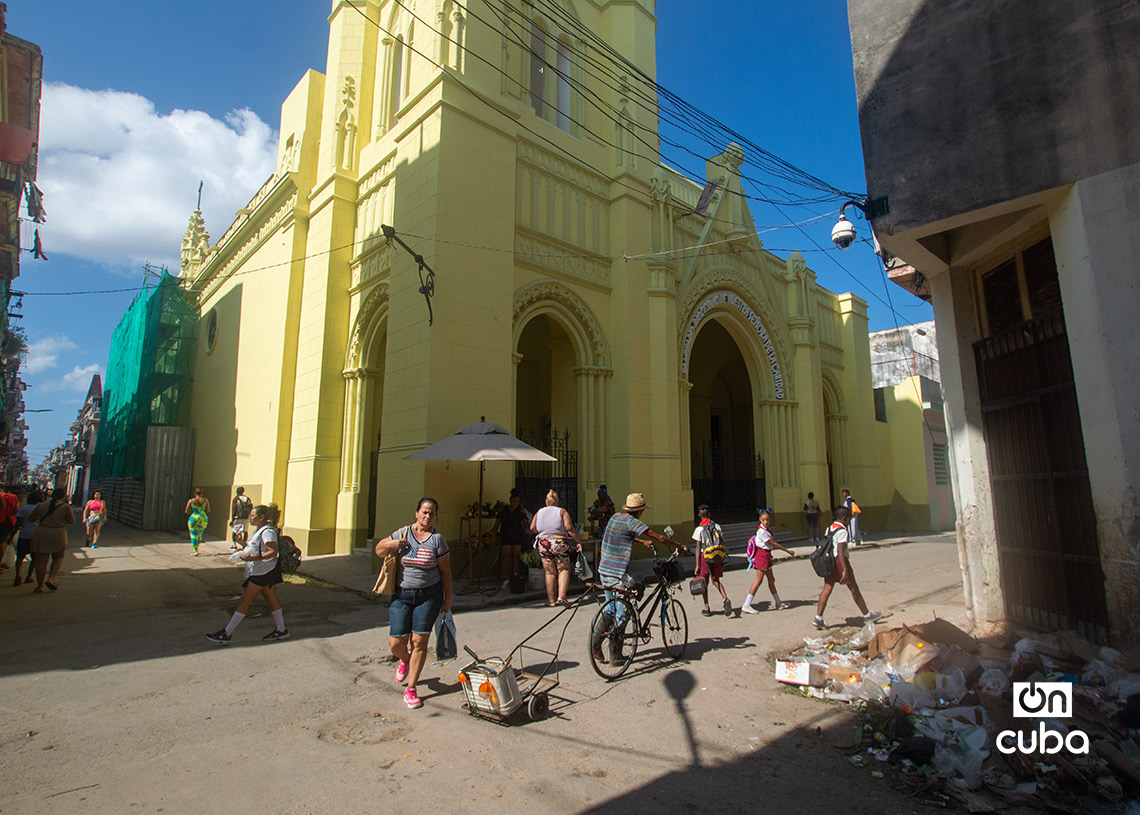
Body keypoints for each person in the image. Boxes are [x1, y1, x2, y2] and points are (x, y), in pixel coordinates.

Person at [373, 498, 453, 710]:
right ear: (416, 513)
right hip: (402, 595)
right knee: (396, 642)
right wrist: (392, 544)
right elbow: (379, 550)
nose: (428, 517)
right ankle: (405, 659)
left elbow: (445, 571)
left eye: (432, 514)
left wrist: (448, 598)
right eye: (425, 512)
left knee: (420, 642)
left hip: (429, 597)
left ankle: (411, 688)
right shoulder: (402, 534)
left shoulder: (437, 540)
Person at [592, 492, 686, 664]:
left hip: (603, 570)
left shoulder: (615, 518)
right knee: (623, 611)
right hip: (616, 573)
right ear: (641, 511)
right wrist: (680, 546)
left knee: (610, 609)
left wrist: (641, 542)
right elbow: (660, 537)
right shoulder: (633, 522)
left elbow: (623, 535)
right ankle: (615, 654)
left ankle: (596, 644)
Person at [206, 504, 290, 644]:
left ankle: (227, 633)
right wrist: (242, 543)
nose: (249, 518)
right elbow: (256, 548)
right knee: (271, 599)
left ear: (261, 517)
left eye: (252, 515)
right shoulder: (259, 530)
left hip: (263, 571)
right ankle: (281, 630)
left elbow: (272, 551)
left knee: (245, 600)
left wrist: (252, 559)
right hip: (263, 570)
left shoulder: (267, 532)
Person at [812, 506, 883, 630]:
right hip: (840, 562)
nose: (850, 522)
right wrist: (844, 569)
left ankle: (818, 618)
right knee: (854, 588)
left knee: (827, 588)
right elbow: (840, 550)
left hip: (830, 562)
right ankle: (867, 615)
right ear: (844, 519)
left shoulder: (829, 528)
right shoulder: (842, 531)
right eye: (849, 520)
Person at [529, 490, 585, 607]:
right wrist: (578, 541)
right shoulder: (561, 511)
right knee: (563, 569)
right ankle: (562, 597)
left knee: (549, 572)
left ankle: (551, 601)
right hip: (559, 542)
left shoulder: (539, 512)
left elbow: (532, 528)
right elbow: (570, 529)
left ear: (546, 502)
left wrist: (543, 532)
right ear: (557, 501)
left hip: (544, 543)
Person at [741, 509, 794, 614]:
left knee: (771, 579)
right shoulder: (762, 531)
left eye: (768, 520)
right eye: (764, 520)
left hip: (766, 555)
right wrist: (787, 550)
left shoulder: (766, 530)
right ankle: (746, 604)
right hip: (762, 556)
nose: (766, 522)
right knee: (758, 580)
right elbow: (773, 543)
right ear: (760, 520)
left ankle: (778, 602)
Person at [28, 487, 76, 593]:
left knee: (41, 560)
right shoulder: (65, 507)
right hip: (58, 533)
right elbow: (71, 521)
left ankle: (39, 586)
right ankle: (51, 578)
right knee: (58, 557)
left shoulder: (42, 505)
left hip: (43, 532)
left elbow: (31, 519)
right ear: (63, 496)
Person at [691, 504, 733, 617]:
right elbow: (722, 539)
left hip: (705, 556)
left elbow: (698, 548)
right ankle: (725, 598)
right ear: (709, 514)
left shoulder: (699, 529)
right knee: (716, 580)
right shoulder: (717, 526)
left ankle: (706, 607)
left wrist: (697, 565)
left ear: (699, 515)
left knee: (704, 582)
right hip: (717, 555)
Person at [490, 488, 527, 590]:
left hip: (517, 536)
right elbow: (497, 523)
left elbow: (525, 522)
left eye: (517, 501)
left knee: (516, 557)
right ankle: (506, 579)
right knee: (505, 558)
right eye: (514, 501)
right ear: (510, 500)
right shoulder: (504, 510)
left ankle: (514, 577)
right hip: (505, 535)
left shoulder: (520, 511)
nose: (515, 503)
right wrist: (494, 534)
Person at [10, 489, 43, 587]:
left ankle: (18, 575)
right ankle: (29, 576)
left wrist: (12, 535)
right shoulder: (41, 508)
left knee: (20, 557)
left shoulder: (23, 509)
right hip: (36, 535)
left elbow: (18, 523)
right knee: (34, 557)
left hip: (24, 535)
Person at [185, 488, 210, 556]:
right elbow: (207, 510)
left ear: (195, 493)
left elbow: (187, 511)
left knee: (194, 535)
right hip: (203, 518)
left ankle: (195, 551)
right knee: (199, 534)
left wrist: (193, 512)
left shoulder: (191, 501)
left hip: (194, 518)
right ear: (202, 493)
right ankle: (197, 548)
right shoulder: (205, 500)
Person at [0, 484, 18, 573]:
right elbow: (16, 511)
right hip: (6, 522)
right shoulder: (13, 497)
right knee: (2, 543)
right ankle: (0, 565)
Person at [230, 486, 253, 551]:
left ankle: (234, 545)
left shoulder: (236, 499)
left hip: (238, 517)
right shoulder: (247, 498)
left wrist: (232, 519)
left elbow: (234, 510)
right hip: (246, 517)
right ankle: (244, 544)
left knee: (234, 531)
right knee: (245, 531)